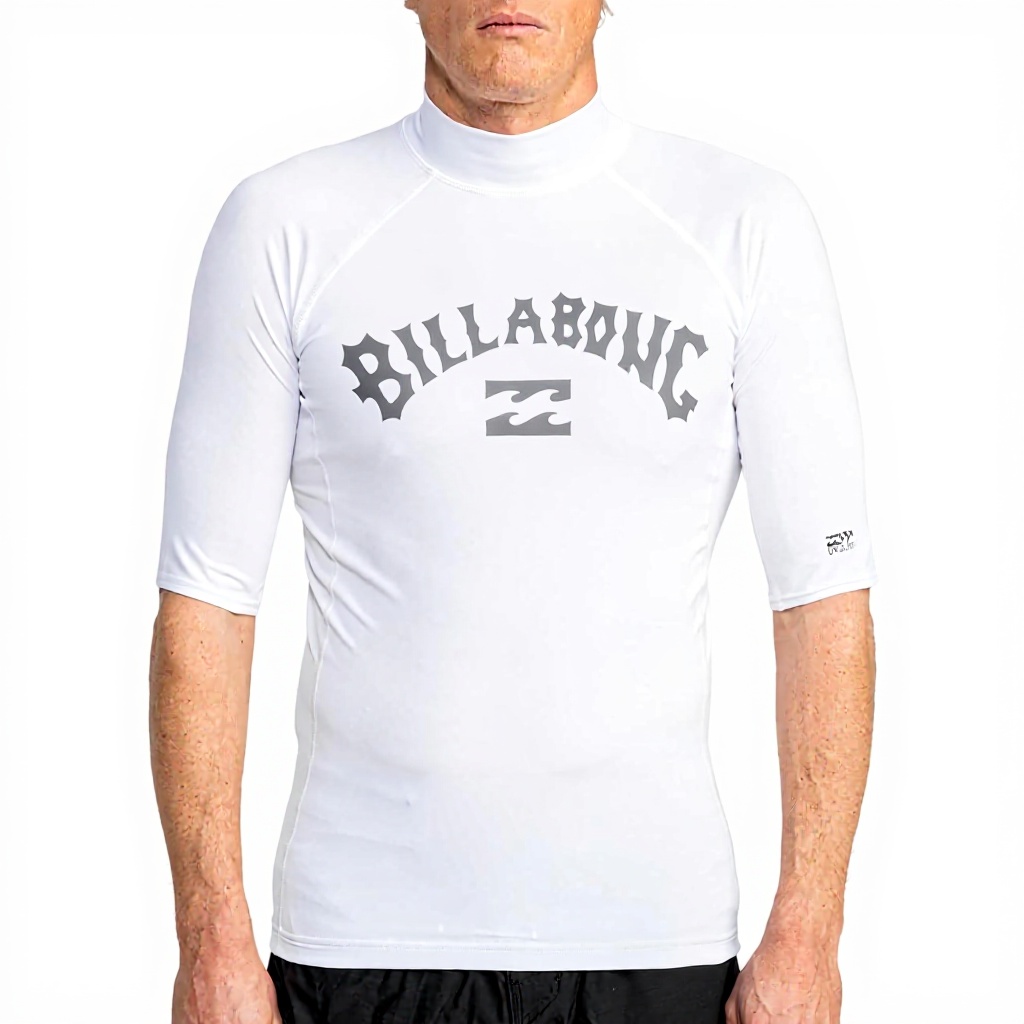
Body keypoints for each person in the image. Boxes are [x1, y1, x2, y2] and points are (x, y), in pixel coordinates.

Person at [149, 1, 879, 1021]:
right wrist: (209, 936)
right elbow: (207, 604)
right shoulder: (286, 222)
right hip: (360, 936)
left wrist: (809, 930)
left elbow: (822, 598)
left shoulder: (741, 221)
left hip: (653, 936)